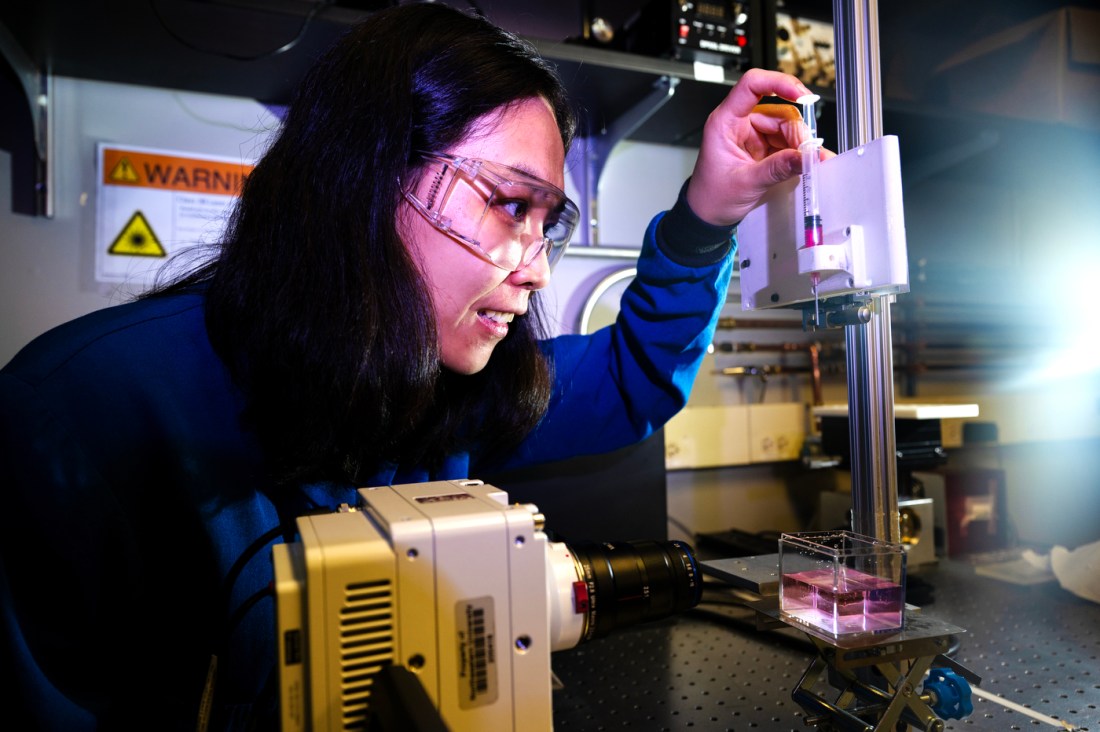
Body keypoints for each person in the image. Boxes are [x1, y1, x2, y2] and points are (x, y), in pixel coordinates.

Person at [0, 3, 815, 730]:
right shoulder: (75, 413)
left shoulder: (450, 387)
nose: (536, 270)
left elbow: (634, 376)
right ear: (363, 177)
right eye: (509, 204)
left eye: (546, 223)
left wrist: (710, 214)